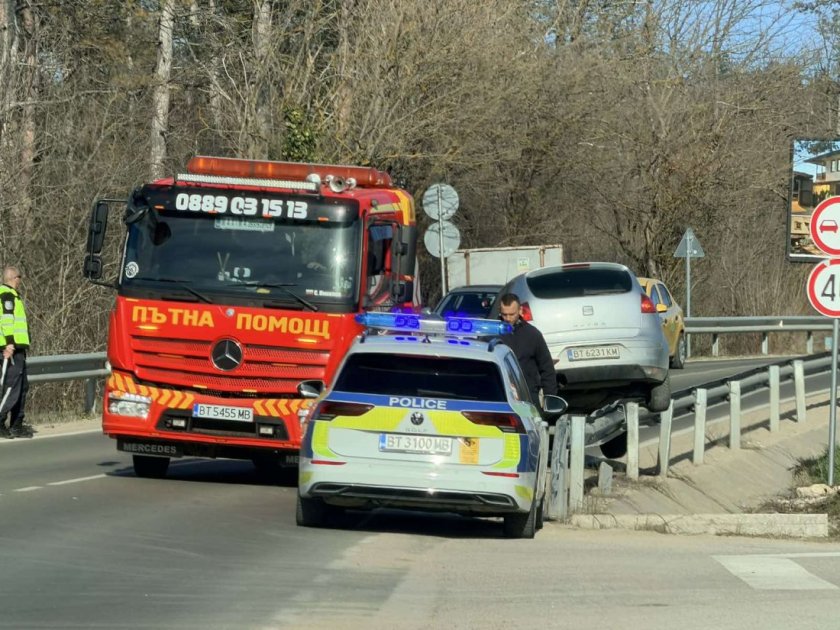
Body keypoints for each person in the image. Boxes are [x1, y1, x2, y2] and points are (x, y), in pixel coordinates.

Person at [498, 292, 557, 408]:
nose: (508, 319)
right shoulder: (491, 334)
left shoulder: (533, 335)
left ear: (520, 311)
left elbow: (547, 369)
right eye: (504, 315)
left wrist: (550, 399)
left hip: (528, 398)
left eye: (512, 314)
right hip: (500, 397)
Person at [0, 266, 31, 438]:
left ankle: (16, 424)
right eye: (20, 277)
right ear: (14, 278)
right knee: (11, 387)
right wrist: (10, 344)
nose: (20, 281)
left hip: (18, 349)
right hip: (11, 350)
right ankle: (0, 420)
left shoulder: (12, 295)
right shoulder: (7, 295)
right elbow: (7, 320)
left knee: (22, 387)